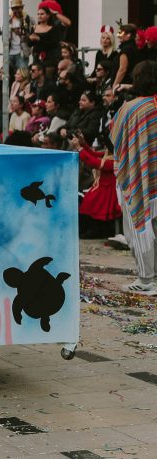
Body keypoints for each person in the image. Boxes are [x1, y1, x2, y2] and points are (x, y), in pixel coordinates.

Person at [111, 60, 157, 295]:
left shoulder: (130, 108)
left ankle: (146, 279)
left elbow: (114, 134)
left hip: (138, 175)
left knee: (138, 227)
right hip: (154, 176)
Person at [75, 130, 121, 239]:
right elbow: (94, 154)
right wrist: (83, 143)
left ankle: (95, 231)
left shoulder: (116, 160)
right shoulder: (110, 154)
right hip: (102, 186)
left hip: (109, 189)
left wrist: (80, 148)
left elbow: (95, 163)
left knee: (91, 203)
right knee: (88, 201)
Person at [28, 0, 70, 78]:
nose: (39, 16)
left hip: (49, 57)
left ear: (48, 15)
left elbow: (53, 43)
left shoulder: (53, 28)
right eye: (38, 14)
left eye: (42, 14)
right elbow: (30, 44)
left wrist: (55, 12)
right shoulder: (34, 27)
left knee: (47, 78)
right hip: (37, 57)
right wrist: (30, 39)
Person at [113, 23, 140, 91]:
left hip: (123, 86)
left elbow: (122, 69)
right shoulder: (134, 47)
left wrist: (114, 85)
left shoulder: (126, 49)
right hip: (131, 83)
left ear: (128, 35)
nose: (118, 36)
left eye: (121, 33)